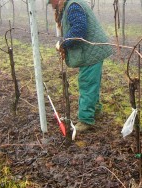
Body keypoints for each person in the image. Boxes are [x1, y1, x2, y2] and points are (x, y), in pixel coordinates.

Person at [48, 0, 112, 132]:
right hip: (93, 49)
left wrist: (63, 43)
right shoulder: (69, 5)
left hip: (92, 50)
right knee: (91, 82)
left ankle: (85, 120)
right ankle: (95, 110)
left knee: (87, 83)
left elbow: (78, 30)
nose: (51, 5)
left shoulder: (73, 6)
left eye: (51, 2)